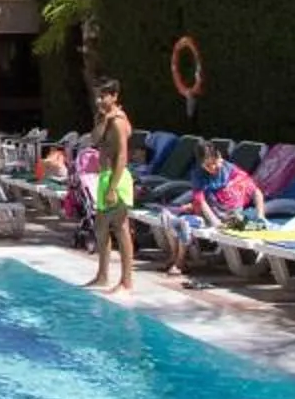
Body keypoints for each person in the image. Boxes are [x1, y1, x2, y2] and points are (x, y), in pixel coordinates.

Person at [157, 139, 266, 273]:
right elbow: (200, 201)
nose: (212, 168)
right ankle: (174, 257)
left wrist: (261, 216)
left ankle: (180, 261)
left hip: (229, 217)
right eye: (207, 165)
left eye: (214, 163)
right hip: (210, 213)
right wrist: (214, 221)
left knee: (184, 223)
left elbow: (256, 192)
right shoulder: (198, 174)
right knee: (168, 215)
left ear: (219, 156)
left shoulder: (232, 171)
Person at [81, 78, 138, 294]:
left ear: (114, 96)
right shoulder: (105, 118)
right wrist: (103, 120)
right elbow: (94, 140)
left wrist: (113, 187)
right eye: (96, 96)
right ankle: (103, 275)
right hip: (105, 177)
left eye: (103, 96)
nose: (98, 100)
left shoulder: (118, 122)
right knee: (100, 228)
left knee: (121, 229)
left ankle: (126, 282)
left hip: (117, 178)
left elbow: (122, 155)